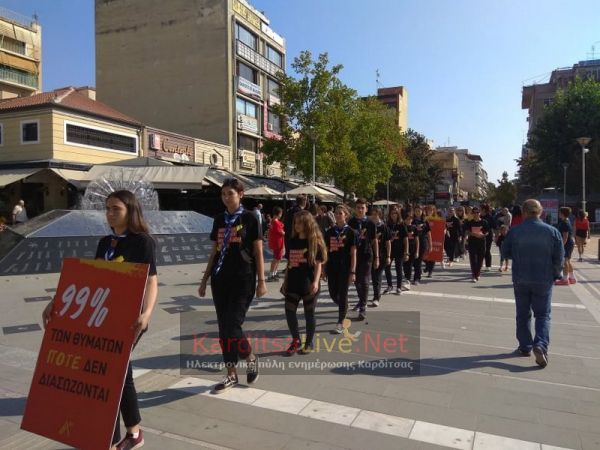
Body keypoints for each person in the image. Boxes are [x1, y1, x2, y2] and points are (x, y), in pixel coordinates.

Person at [43, 189, 159, 450]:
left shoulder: (142, 242)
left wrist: (147, 312)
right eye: (107, 208)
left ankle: (119, 435)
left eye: (115, 209)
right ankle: (130, 434)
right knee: (116, 372)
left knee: (114, 372)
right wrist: (56, 300)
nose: (109, 213)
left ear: (130, 211)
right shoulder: (105, 242)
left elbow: (152, 280)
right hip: (104, 317)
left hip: (130, 318)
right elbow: (91, 278)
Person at [198, 178, 266, 393]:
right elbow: (214, 251)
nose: (226, 197)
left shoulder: (250, 218)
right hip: (220, 279)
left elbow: (258, 250)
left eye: (230, 193)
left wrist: (262, 281)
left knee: (233, 326)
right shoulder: (219, 219)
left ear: (241, 194)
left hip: (243, 278)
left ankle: (250, 357)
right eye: (224, 194)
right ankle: (230, 375)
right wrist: (204, 279)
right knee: (223, 330)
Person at [501, 199, 564, 368]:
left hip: (521, 277)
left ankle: (525, 346)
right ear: (541, 212)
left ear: (524, 212)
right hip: (543, 277)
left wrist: (519, 255)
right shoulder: (552, 231)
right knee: (543, 314)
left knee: (522, 313)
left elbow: (505, 251)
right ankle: (541, 344)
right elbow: (559, 258)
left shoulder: (515, 231)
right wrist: (556, 274)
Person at [282, 210, 327, 354]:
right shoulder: (292, 241)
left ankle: (309, 342)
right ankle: (295, 341)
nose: (296, 225)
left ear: (307, 224)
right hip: (293, 282)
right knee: (289, 311)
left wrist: (316, 282)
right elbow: (290, 263)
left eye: (300, 222)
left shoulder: (314, 242)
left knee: (309, 314)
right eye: (295, 222)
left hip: (308, 283)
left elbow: (318, 264)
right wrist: (285, 281)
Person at [324, 204, 356, 333]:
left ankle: (340, 322)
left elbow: (353, 253)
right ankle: (344, 306)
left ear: (346, 215)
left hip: (345, 267)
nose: (338, 215)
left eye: (340, 213)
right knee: (333, 294)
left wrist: (352, 271)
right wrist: (324, 268)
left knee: (342, 294)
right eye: (336, 213)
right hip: (332, 266)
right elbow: (325, 251)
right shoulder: (330, 232)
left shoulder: (351, 232)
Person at [348, 198, 377, 320]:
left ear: (366, 209)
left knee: (364, 281)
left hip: (366, 254)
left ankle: (363, 307)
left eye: (362, 207)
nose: (360, 210)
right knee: (356, 280)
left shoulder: (370, 223)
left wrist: (377, 257)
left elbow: (375, 241)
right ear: (355, 208)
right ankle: (361, 300)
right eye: (358, 207)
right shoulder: (351, 222)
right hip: (354, 255)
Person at [369, 207, 391, 307]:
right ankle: (373, 295)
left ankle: (376, 297)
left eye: (376, 214)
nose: (374, 216)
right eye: (372, 214)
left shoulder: (384, 227)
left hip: (381, 255)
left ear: (379, 215)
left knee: (377, 277)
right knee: (373, 277)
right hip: (369, 255)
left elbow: (388, 242)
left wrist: (388, 256)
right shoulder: (368, 226)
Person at [385, 206, 409, 294]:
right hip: (390, 250)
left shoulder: (402, 224)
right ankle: (390, 285)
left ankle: (398, 287)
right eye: (392, 213)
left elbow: (406, 239)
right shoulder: (387, 224)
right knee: (387, 267)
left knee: (399, 268)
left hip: (400, 250)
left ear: (398, 214)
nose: (393, 215)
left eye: (395, 213)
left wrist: (406, 252)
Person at [465, 206, 490, 282]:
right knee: (473, 259)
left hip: (481, 242)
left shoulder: (484, 222)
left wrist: (484, 234)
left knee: (480, 259)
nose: (476, 214)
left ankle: (478, 274)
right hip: (472, 242)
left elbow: (487, 231)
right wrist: (473, 234)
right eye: (474, 212)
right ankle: (474, 275)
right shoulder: (470, 222)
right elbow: (466, 231)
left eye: (477, 212)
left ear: (480, 213)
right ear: (472, 213)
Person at [555, 207, 576, 285]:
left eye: (559, 212)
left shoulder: (564, 223)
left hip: (566, 243)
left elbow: (565, 236)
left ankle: (565, 279)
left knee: (565, 261)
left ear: (562, 213)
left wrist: (561, 246)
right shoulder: (566, 221)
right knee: (568, 260)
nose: (558, 213)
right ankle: (572, 278)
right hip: (569, 243)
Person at [402, 209, 419, 290]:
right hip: (403, 249)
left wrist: (417, 251)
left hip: (412, 249)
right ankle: (406, 278)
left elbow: (417, 240)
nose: (409, 220)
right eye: (407, 219)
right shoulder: (402, 227)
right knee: (405, 265)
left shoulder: (414, 228)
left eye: (410, 219)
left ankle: (407, 280)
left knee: (410, 265)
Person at [267, 206, 285, 282]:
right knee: (276, 259)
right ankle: (271, 274)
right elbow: (281, 232)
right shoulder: (275, 222)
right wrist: (284, 232)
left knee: (278, 258)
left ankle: (274, 273)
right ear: (279, 214)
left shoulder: (273, 221)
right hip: (278, 243)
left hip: (277, 242)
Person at [480, 204, 496, 271]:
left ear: (483, 209)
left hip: (488, 236)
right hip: (479, 235)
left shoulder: (490, 217)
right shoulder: (479, 216)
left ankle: (488, 266)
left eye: (480, 208)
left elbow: (494, 227)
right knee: (480, 251)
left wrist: (496, 236)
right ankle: (479, 265)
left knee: (487, 250)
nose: (479, 210)